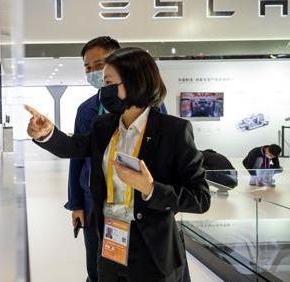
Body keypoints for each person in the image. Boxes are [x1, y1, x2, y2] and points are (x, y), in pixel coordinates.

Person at [25, 47, 210, 282]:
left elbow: (201, 198)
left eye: (109, 82)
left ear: (135, 82)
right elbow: (75, 147)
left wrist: (150, 189)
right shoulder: (104, 126)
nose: (104, 90)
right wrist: (47, 133)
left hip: (152, 249)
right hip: (111, 240)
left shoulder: (173, 130)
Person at [66, 36, 120, 282]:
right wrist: (76, 203)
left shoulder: (148, 105)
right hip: (91, 202)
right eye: (88, 68)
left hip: (128, 202)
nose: (94, 72)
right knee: (96, 265)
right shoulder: (86, 109)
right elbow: (76, 158)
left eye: (99, 65)